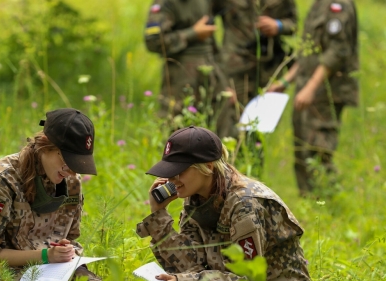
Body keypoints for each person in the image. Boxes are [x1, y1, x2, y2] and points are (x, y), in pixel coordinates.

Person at [135, 126, 310, 281]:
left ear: (208, 167)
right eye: (170, 171)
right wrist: (158, 215)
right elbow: (188, 265)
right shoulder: (196, 197)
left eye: (180, 171)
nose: (172, 180)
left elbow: (248, 280)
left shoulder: (245, 204)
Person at [0, 108, 110, 281]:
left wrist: (65, 250)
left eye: (77, 163)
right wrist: (45, 255)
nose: (71, 171)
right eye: (67, 161)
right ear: (46, 146)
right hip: (3, 273)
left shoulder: (70, 182)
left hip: (51, 269)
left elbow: (70, 236)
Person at [268, 0, 358, 196]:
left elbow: (337, 51)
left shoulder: (338, 5)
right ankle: (309, 201)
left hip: (326, 92)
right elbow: (308, 53)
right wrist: (285, 81)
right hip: (308, 90)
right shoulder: (319, 4)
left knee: (319, 150)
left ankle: (330, 201)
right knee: (302, 150)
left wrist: (310, 87)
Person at [216, 0, 298, 176]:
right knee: (229, 131)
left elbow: (294, 23)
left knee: (257, 134)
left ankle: (254, 183)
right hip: (233, 70)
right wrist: (221, 79)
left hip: (266, 73)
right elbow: (206, 21)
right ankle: (224, 182)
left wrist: (279, 26)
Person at [144, 0, 234, 136]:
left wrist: (224, 80)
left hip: (212, 73)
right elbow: (153, 41)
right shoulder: (165, 3)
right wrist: (193, 33)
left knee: (222, 132)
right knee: (177, 132)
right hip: (181, 76)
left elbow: (211, 44)